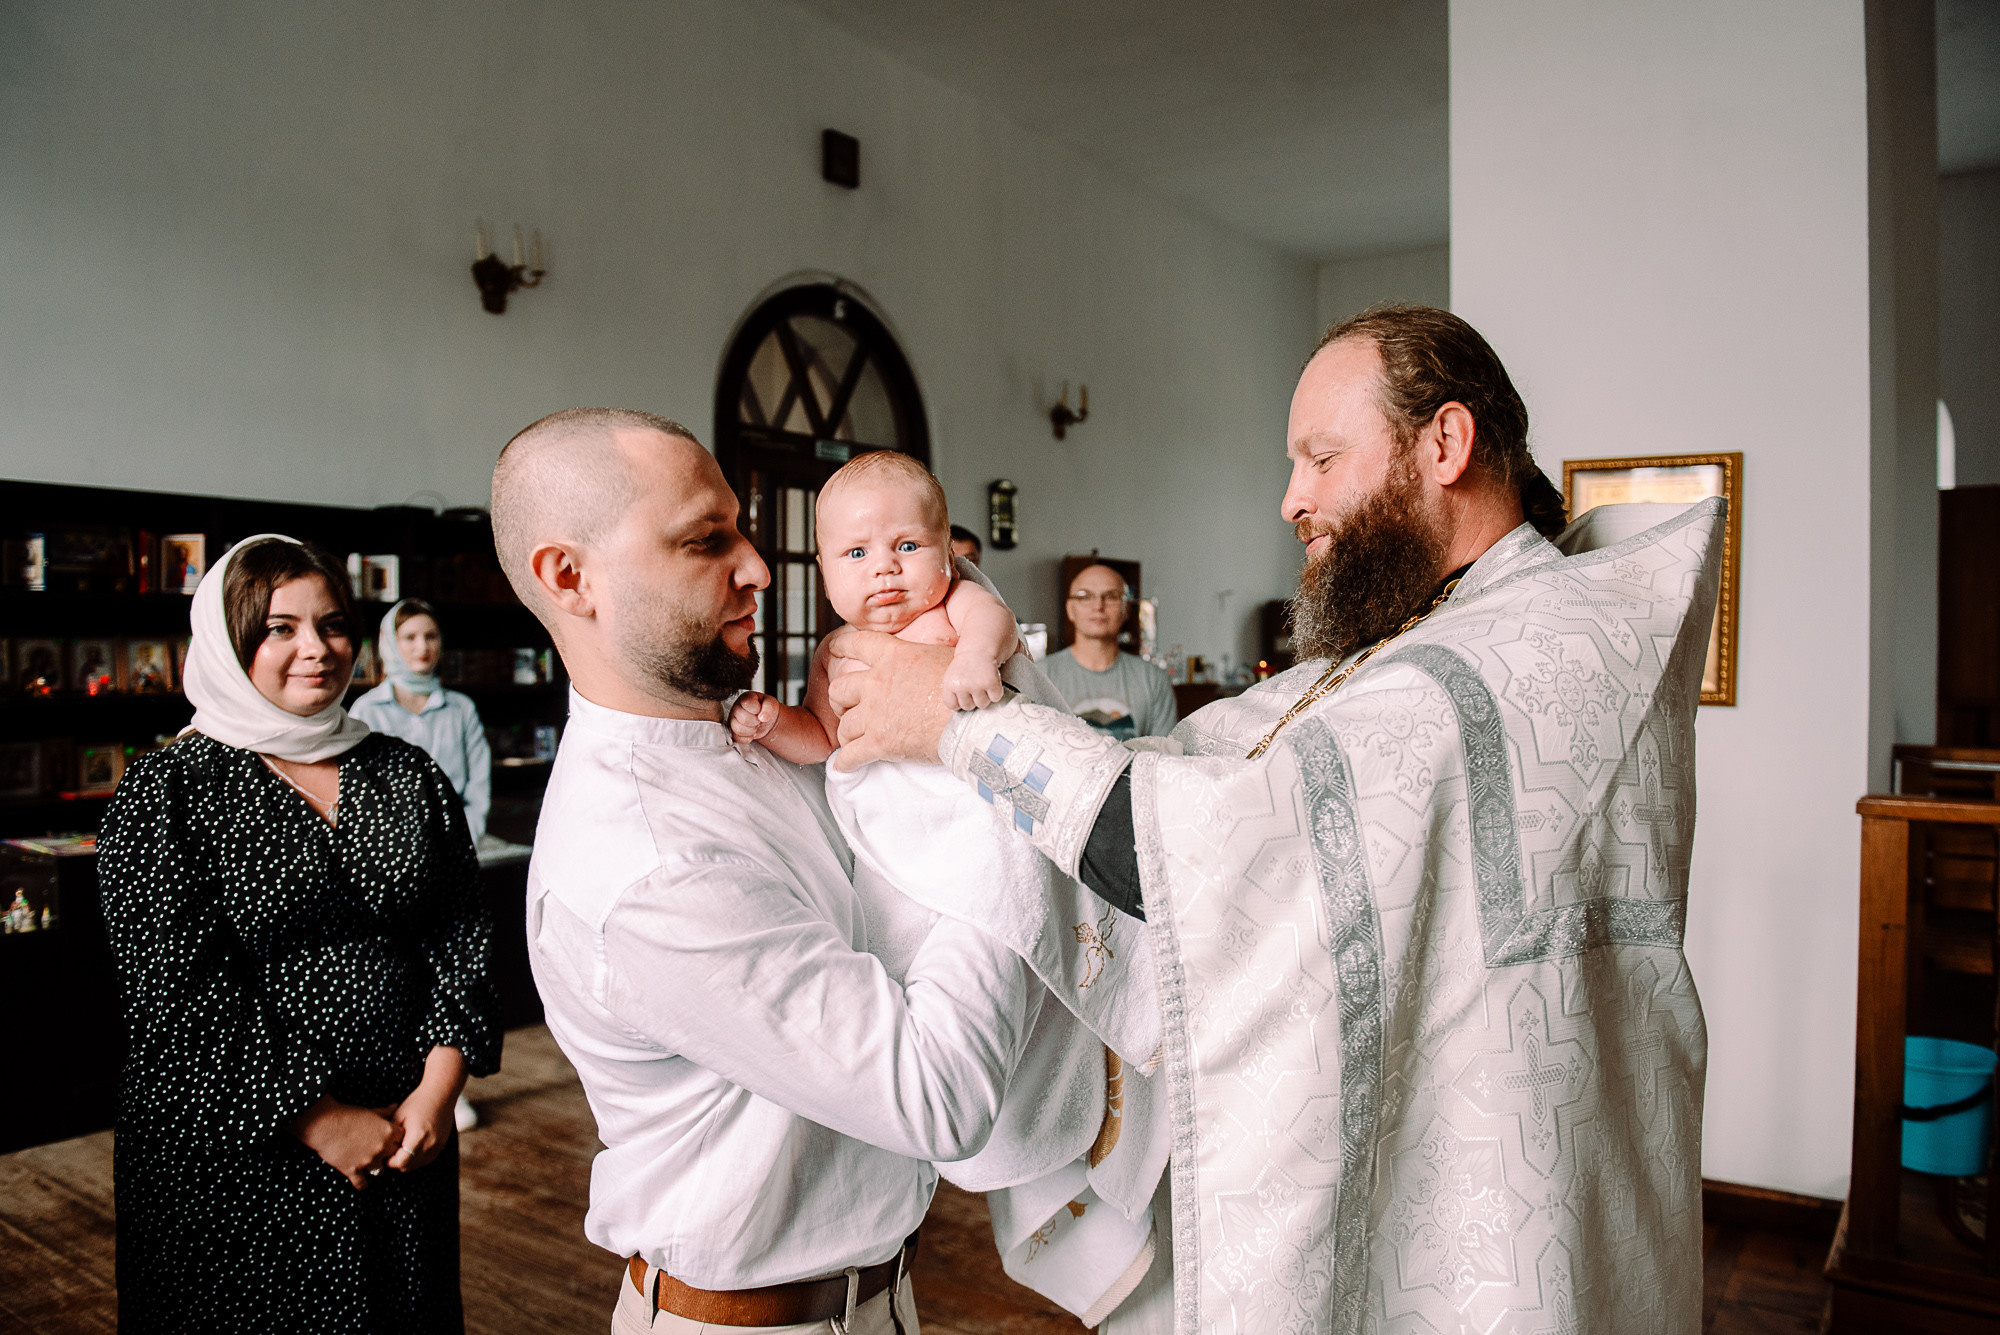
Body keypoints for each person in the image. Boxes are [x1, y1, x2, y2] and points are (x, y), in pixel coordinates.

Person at [824, 305, 1725, 1334]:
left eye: (1320, 458)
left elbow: (1222, 854)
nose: (1290, 499)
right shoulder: (1433, 629)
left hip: (1491, 1221)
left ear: (1445, 442)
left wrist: (952, 726)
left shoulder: (1516, 653)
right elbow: (1203, 765)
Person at [489, 409, 1042, 1335]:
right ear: (570, 577)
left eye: (742, 528)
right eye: (707, 540)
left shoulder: (737, 728)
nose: (755, 564)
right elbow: (936, 1094)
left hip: (880, 1292)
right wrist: (1008, 797)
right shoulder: (648, 863)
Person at [728, 450, 1167, 1324]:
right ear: (822, 571)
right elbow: (834, 740)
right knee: (915, 965)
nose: (884, 569)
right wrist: (781, 724)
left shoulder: (960, 605)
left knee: (1009, 963)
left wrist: (969, 656)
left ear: (945, 550)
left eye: (905, 546)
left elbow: (996, 635)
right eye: (855, 556)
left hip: (976, 822)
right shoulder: (837, 650)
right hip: (903, 848)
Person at [97, 534, 500, 1334]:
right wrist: (317, 1118)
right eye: (280, 627)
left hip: (403, 1131)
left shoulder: (404, 770)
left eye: (334, 624)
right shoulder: (169, 788)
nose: (316, 649)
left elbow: (462, 931)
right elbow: (171, 988)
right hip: (239, 1147)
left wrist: (439, 1085)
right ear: (228, 638)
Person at [349, 597, 495, 1134]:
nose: (422, 647)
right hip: (386, 868)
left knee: (451, 971)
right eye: (410, 637)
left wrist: (465, 844)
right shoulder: (367, 711)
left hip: (452, 859)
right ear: (391, 644)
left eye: (430, 636)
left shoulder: (460, 708)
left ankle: (446, 1088)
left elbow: (478, 785)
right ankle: (402, 1086)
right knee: (398, 973)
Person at [1040, 564, 1176, 741]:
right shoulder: (1042, 675)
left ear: (1126, 609)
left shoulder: (1153, 680)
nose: (1098, 605)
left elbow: (1165, 757)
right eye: (1085, 596)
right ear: (1070, 609)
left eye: (1111, 596)